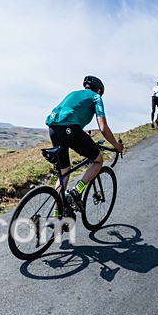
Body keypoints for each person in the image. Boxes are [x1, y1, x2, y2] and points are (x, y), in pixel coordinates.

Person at [45, 76, 124, 213]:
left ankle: (56, 215)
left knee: (64, 174)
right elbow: (103, 128)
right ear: (99, 90)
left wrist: (80, 134)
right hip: (70, 128)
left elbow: (69, 113)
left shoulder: (73, 93)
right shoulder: (96, 97)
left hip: (53, 127)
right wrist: (116, 145)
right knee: (98, 160)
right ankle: (77, 190)